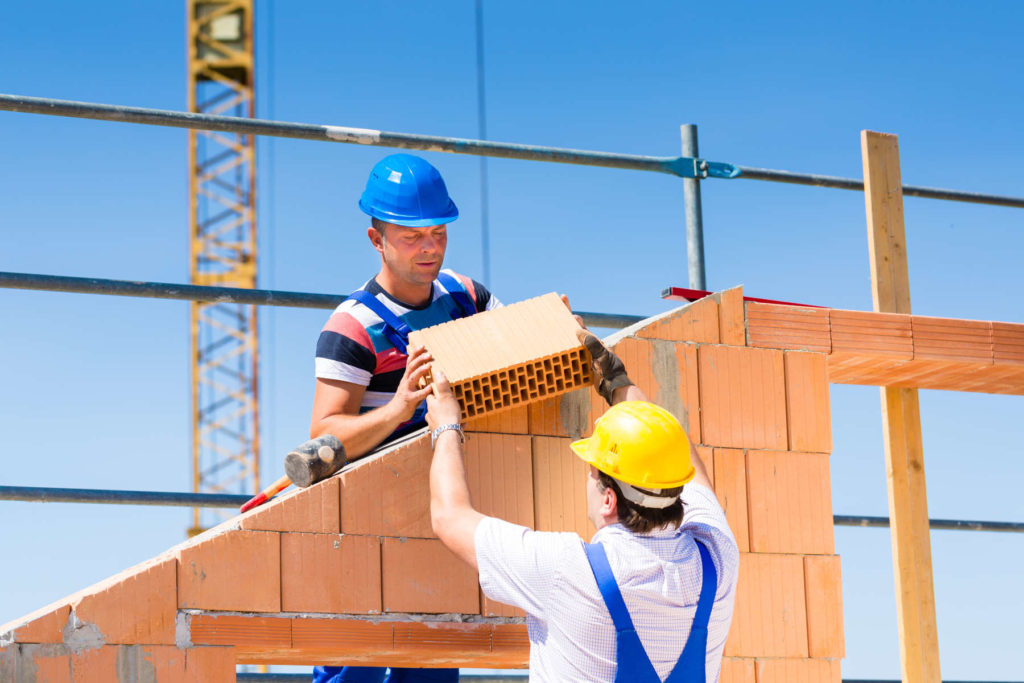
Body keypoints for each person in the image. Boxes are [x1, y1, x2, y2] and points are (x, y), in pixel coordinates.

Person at [425, 331, 740, 682]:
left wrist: (445, 425)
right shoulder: (718, 559)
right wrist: (615, 380)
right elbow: (679, 458)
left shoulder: (567, 572)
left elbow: (449, 517)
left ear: (608, 500)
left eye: (592, 472)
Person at [308, 153, 500, 683]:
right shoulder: (352, 326)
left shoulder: (468, 298)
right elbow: (325, 433)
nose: (430, 247)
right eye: (412, 236)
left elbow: (514, 350)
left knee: (431, 669)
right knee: (356, 670)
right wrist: (399, 407)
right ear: (377, 240)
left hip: (440, 521)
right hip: (368, 526)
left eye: (438, 232)